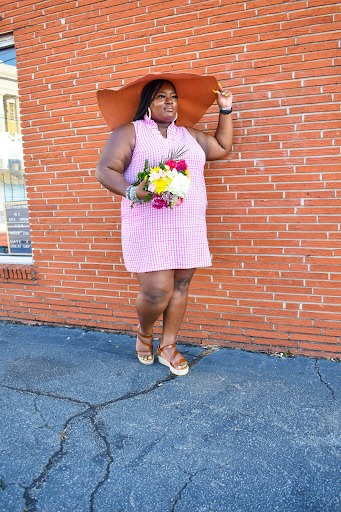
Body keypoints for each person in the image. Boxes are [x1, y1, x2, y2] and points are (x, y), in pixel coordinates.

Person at [96, 73, 233, 376]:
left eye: (173, 96)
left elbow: (222, 148)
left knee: (181, 285)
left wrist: (224, 110)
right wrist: (133, 190)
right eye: (161, 96)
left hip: (188, 223)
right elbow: (106, 169)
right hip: (147, 223)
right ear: (148, 103)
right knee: (157, 292)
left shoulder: (188, 135)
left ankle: (168, 346)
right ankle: (145, 332)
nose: (169, 101)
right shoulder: (129, 132)